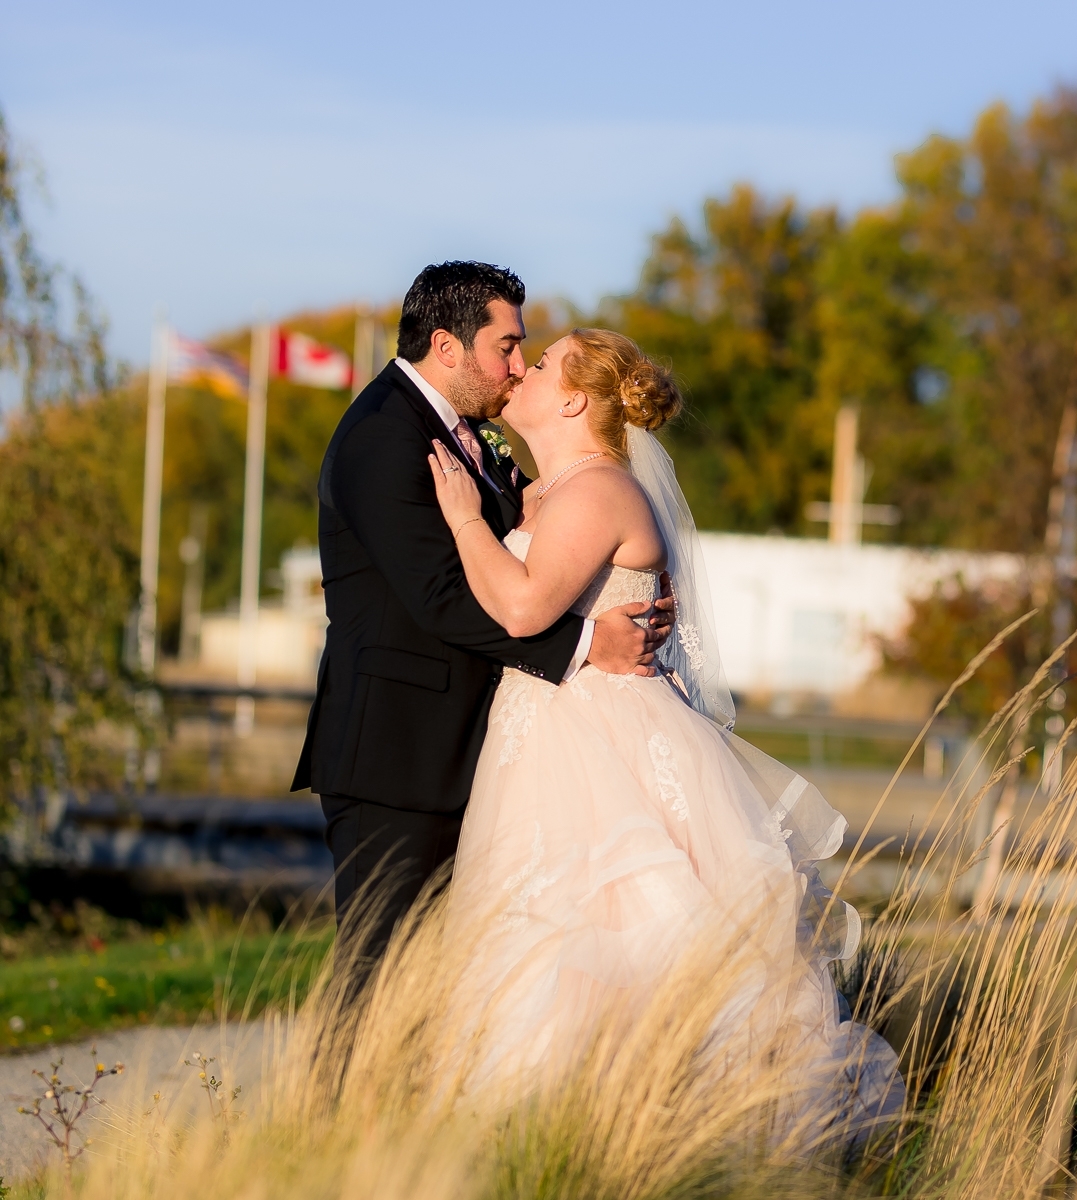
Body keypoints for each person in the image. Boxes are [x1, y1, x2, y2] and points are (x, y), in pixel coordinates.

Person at [425, 327, 899, 1129]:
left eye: (540, 363)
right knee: (538, 937)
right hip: (542, 735)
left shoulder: (598, 492)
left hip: (596, 748)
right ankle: (549, 1139)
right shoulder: (548, 492)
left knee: (619, 925)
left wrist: (465, 521)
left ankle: (647, 1131)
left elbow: (523, 606)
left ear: (574, 396)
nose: (525, 368)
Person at [291, 263, 674, 986]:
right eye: (506, 346)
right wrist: (591, 643)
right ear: (447, 346)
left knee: (444, 982)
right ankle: (332, 1103)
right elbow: (438, 596)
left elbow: (547, 548)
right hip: (396, 751)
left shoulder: (465, 432)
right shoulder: (383, 438)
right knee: (377, 975)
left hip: (472, 750)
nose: (518, 365)